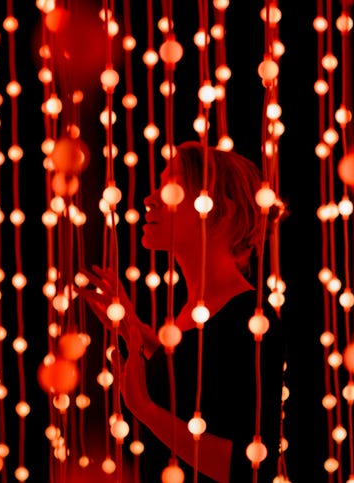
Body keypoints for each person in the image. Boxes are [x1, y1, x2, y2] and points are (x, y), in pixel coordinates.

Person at [79, 141, 285, 482]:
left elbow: (251, 468)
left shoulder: (252, 323)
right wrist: (140, 334)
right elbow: (197, 390)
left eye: (171, 185)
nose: (150, 198)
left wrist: (144, 408)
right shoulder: (191, 316)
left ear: (224, 210)